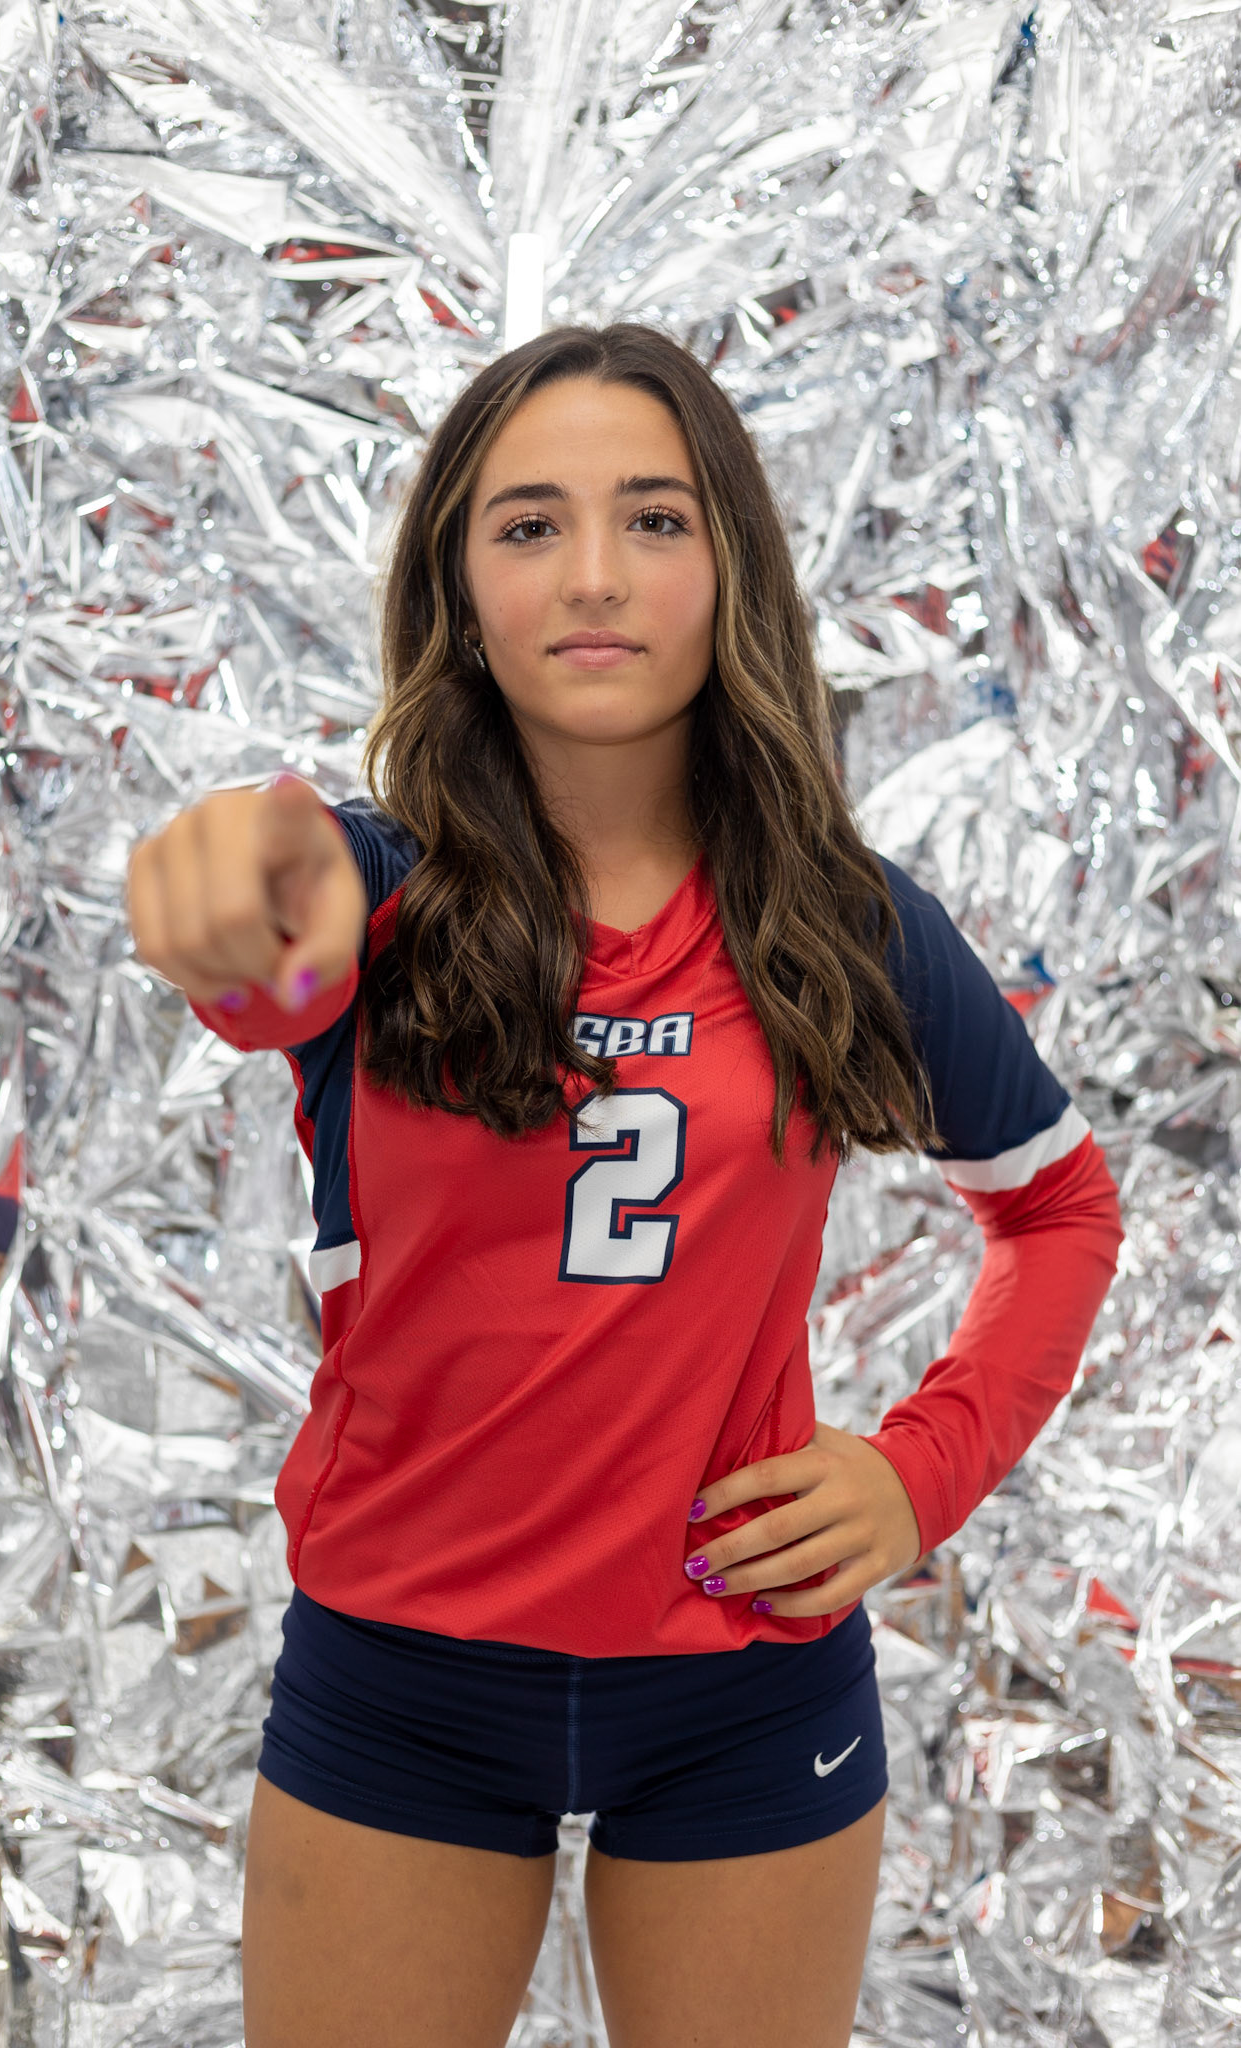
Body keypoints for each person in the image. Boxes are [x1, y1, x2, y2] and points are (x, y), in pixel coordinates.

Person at [125, 323, 1124, 2048]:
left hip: (746, 1684)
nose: (593, 574)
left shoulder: (845, 923)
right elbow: (251, 913)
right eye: (528, 525)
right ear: (458, 588)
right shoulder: (369, 896)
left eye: (653, 519)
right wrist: (223, 865)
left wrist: (917, 1472)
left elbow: (1058, 1210)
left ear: (729, 566)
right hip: (405, 1679)